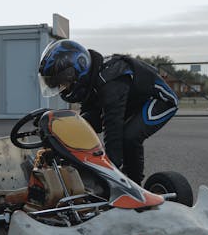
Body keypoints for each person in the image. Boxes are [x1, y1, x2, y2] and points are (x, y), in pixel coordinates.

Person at [38, 39, 178, 185]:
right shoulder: (91, 79)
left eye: (63, 82)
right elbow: (87, 122)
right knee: (84, 125)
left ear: (78, 68)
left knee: (128, 137)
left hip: (160, 100)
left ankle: (134, 185)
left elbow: (113, 127)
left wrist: (111, 173)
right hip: (131, 102)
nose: (63, 87)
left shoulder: (110, 79)